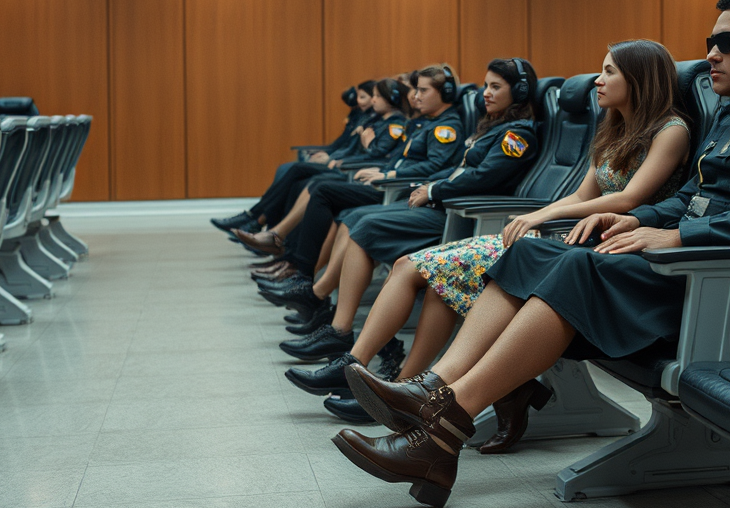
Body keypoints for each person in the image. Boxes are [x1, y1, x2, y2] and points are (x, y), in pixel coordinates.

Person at [331, 0, 730, 508]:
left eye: (727, 42)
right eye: (710, 40)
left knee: (577, 269)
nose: (710, 54)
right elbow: (691, 199)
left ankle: (442, 424)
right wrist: (636, 217)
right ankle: (435, 388)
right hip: (687, 271)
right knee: (530, 254)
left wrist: (680, 236)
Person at [288, 41, 692, 433]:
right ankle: (404, 391)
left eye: (608, 71)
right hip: (569, 237)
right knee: (427, 277)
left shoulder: (671, 130)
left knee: (423, 271)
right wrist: (541, 214)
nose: (597, 81)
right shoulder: (612, 130)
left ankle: (403, 392)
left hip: (600, 247)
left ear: (639, 78)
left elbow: (628, 197)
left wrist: (542, 215)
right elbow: (581, 195)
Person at [276, 59, 543, 363]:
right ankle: (334, 320)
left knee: (363, 223)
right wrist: (433, 186)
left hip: (463, 218)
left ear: (520, 91)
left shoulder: (518, 135)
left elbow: (483, 178)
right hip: (449, 207)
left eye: (496, 86)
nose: (486, 93)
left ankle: (335, 322)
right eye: (485, 85)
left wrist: (433, 189)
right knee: (354, 217)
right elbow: (459, 172)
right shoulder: (494, 126)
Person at [255, 66, 466, 293]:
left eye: (423, 91)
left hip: (398, 189)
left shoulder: (446, 126)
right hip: (389, 183)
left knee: (322, 190)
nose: (415, 96)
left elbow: (434, 166)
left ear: (444, 94)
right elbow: (397, 159)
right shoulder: (426, 122)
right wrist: (382, 170)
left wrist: (388, 174)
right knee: (319, 190)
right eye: (416, 90)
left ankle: (300, 271)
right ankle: (296, 267)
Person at [234, 78, 413, 255]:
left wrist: (364, 142)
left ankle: (275, 240)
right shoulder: (377, 120)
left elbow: (377, 153)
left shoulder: (396, 124)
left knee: (311, 181)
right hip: (356, 169)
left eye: (377, 96)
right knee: (301, 179)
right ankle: (275, 241)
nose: (373, 100)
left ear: (391, 99)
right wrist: (332, 157)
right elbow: (347, 147)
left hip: (361, 174)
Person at [210, 81, 375, 235]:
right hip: (341, 162)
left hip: (350, 169)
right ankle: (261, 225)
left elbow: (370, 154)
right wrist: (329, 155)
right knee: (287, 170)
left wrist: (334, 158)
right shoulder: (361, 117)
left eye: (366, 97)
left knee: (301, 176)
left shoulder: (380, 122)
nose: (361, 101)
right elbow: (342, 144)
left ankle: (259, 222)